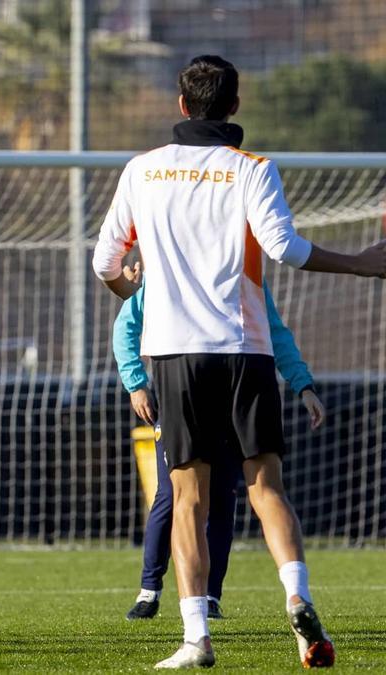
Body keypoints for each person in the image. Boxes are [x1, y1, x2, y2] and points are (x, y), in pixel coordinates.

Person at [93, 54, 386, 669]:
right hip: (245, 350)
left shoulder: (142, 170)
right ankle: (297, 597)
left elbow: (105, 264)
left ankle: (197, 638)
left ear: (181, 106)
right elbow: (284, 248)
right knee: (265, 485)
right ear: (234, 107)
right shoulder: (252, 168)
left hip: (173, 353)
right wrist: (362, 262)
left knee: (188, 502)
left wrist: (145, 297)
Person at [114, 264, 325, 621]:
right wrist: (136, 382)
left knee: (224, 494)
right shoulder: (166, 271)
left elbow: (274, 331)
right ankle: (150, 589)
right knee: (173, 496)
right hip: (183, 393)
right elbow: (126, 327)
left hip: (232, 396)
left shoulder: (246, 274)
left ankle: (210, 596)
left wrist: (302, 384)